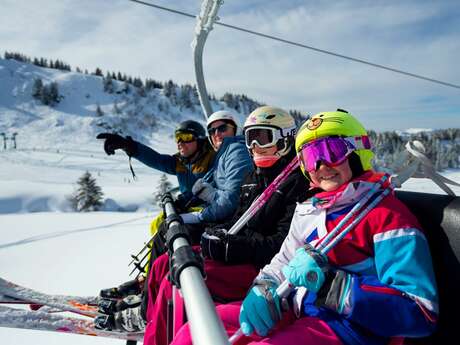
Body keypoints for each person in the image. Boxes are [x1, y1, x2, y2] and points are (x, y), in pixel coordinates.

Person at [171, 109, 438, 345]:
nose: (321, 166)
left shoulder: (386, 216)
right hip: (296, 310)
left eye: (331, 152)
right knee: (193, 333)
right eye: (310, 158)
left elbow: (421, 312)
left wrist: (333, 286)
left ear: (358, 150)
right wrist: (264, 286)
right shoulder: (310, 208)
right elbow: (283, 260)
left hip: (349, 330)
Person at [142, 106, 314, 345]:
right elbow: (240, 219)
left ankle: (162, 334)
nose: (255, 146)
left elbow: (282, 244)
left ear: (285, 138)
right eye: (250, 139)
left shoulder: (295, 181)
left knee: (181, 278)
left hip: (259, 266)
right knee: (166, 263)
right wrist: (217, 233)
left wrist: (234, 247)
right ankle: (148, 319)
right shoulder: (254, 177)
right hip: (240, 257)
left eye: (263, 138)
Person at [96, 120, 215, 204]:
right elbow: (156, 160)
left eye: (186, 137)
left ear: (199, 140)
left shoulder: (213, 159)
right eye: (178, 137)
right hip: (188, 209)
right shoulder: (179, 162)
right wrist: (128, 146)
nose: (180, 143)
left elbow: (214, 187)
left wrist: (186, 199)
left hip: (208, 211)